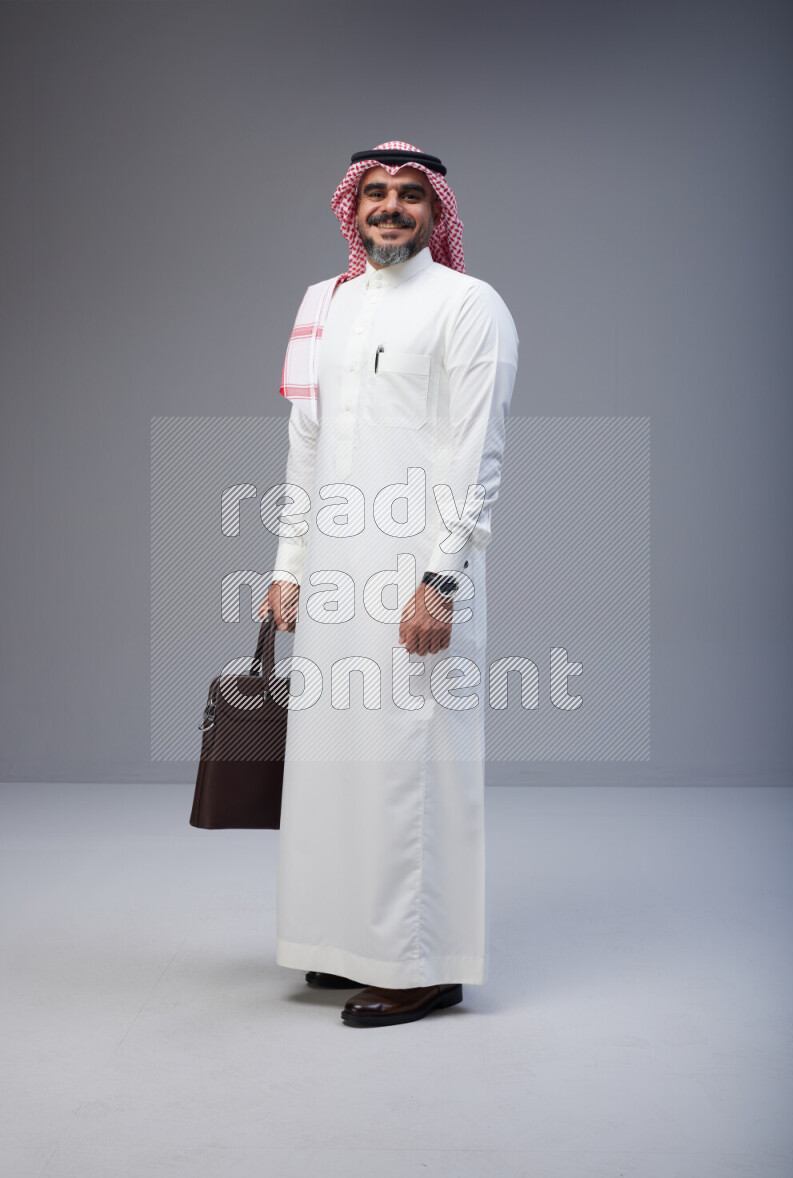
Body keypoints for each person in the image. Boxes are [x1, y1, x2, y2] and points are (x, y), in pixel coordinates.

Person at [258, 140, 518, 1027]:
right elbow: (305, 444)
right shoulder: (321, 304)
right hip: (334, 577)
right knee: (336, 768)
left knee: (413, 764)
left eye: (411, 196)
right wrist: (288, 568)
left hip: (417, 574)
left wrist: (441, 580)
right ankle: (342, 945)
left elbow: (477, 453)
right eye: (376, 194)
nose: (392, 209)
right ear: (352, 207)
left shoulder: (468, 306)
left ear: (437, 212)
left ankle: (421, 965)